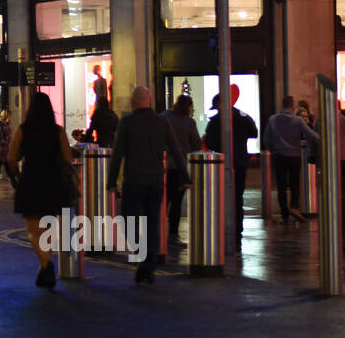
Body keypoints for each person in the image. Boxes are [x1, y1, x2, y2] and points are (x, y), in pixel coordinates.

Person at [110, 86, 188, 284]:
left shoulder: (126, 122)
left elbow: (117, 153)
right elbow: (176, 150)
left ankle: (142, 256)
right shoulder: (162, 122)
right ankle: (149, 262)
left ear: (133, 103)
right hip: (155, 180)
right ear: (150, 100)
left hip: (134, 180)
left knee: (129, 219)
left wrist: (112, 182)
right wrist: (185, 176)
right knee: (153, 221)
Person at [7, 92, 75, 288]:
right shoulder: (58, 131)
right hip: (53, 182)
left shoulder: (23, 129)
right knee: (48, 228)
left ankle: (46, 265)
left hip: (31, 181)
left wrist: (17, 176)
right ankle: (44, 268)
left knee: (33, 230)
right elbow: (68, 159)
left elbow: (12, 158)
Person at [203, 88, 259, 240]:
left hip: (221, 164)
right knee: (238, 197)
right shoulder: (243, 116)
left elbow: (212, 143)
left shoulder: (215, 122)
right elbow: (254, 132)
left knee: (220, 197)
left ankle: (223, 227)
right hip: (240, 162)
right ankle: (237, 229)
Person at [263, 96, 318, 224]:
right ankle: (294, 207)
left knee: (281, 186)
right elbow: (310, 134)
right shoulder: (298, 120)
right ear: (293, 105)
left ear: (282, 105)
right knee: (295, 183)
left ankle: (284, 214)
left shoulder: (272, 119)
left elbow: (266, 139)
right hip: (295, 156)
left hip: (279, 156)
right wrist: (322, 139)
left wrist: (273, 149)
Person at [160, 94, 202, 246]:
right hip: (180, 167)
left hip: (163, 166)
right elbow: (196, 143)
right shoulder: (189, 122)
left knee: (163, 201)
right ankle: (172, 235)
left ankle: (157, 232)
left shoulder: (164, 116)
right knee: (176, 203)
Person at [0, 108, 16, 189]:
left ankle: (16, 186)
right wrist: (3, 142)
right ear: (6, 115)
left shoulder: (7, 124)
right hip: (0, 152)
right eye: (10, 115)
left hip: (6, 151)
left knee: (9, 171)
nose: (11, 117)